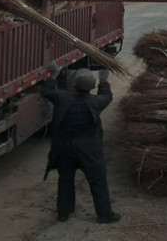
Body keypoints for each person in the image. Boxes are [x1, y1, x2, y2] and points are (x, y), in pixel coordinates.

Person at [42, 63, 120, 223]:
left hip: (65, 148)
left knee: (65, 179)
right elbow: (107, 96)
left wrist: (53, 75)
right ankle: (104, 215)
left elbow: (47, 92)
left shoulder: (62, 98)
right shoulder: (95, 102)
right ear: (90, 87)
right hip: (89, 150)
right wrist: (103, 80)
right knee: (97, 181)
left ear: (74, 85)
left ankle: (63, 213)